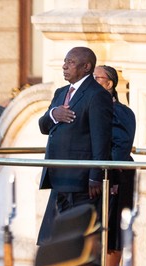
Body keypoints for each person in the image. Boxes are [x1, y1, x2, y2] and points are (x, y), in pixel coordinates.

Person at [37, 46, 113, 244]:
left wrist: (96, 175)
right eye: (65, 61)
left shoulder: (97, 95)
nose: (64, 66)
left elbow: (101, 138)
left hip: (80, 181)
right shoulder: (61, 93)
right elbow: (43, 126)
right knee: (52, 240)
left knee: (75, 239)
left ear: (86, 66)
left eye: (70, 62)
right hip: (58, 176)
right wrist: (54, 114)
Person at [93, 65, 136, 266]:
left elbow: (121, 145)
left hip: (116, 175)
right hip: (95, 174)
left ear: (109, 84)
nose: (92, 81)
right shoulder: (92, 107)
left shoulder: (120, 111)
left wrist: (112, 178)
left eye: (96, 77)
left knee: (113, 227)